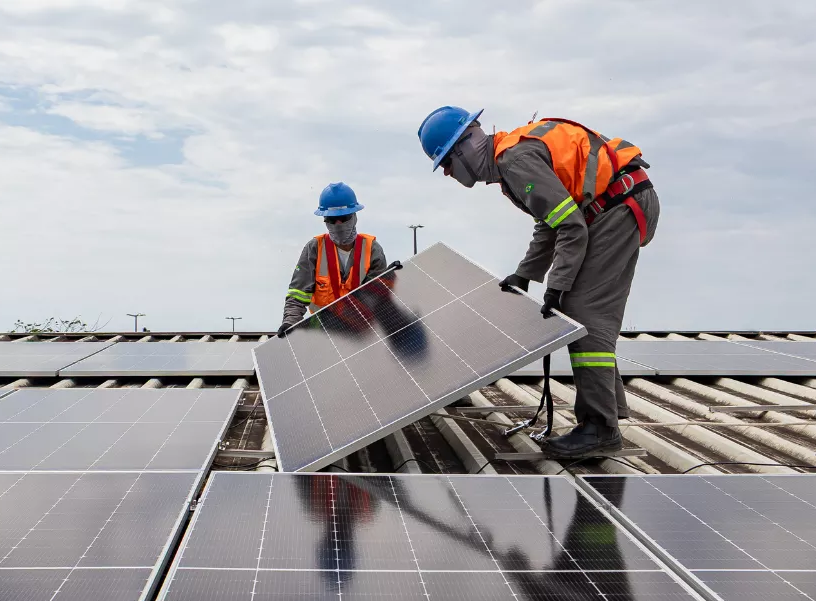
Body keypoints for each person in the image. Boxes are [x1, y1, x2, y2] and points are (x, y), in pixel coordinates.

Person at [417, 106, 660, 459]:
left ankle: (600, 428)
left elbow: (570, 226)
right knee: (584, 315)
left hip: (619, 205)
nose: (447, 173)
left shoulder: (514, 162)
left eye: (447, 163)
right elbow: (551, 221)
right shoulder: (510, 161)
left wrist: (557, 285)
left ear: (464, 148)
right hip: (618, 201)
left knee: (583, 314)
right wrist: (526, 273)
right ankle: (607, 415)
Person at [278, 182, 391, 337]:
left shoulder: (371, 249)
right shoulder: (314, 249)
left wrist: (390, 279)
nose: (338, 224)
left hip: (363, 334)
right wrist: (290, 322)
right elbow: (298, 294)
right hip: (324, 334)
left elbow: (377, 298)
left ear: (354, 217)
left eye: (343, 218)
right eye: (332, 220)